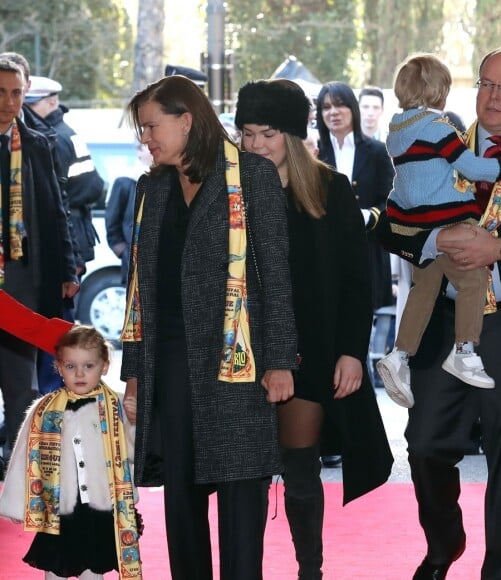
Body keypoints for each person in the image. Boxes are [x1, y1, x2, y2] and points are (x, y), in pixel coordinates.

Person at [376, 48, 501, 579]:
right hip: (444, 325)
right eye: (486, 84)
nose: (493, 96)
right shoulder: (434, 140)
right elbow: (389, 223)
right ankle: (444, 543)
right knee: (423, 446)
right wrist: (433, 239)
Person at [120, 74, 297, 580]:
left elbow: (277, 275)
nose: (146, 139)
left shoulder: (253, 177)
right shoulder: (151, 187)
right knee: (182, 501)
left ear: (186, 120)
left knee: (243, 496)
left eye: (152, 126)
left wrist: (281, 360)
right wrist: (135, 373)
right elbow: (141, 287)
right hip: (171, 363)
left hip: (238, 361)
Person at [235, 78, 393, 579]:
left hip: (312, 349)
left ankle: (311, 571)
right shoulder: (229, 191)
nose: (256, 144)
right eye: (246, 133)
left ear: (293, 134)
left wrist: (351, 351)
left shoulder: (330, 190)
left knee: (300, 469)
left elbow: (355, 280)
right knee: (246, 476)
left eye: (267, 133)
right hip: (242, 351)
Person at [377, 53, 501, 408]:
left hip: (413, 221)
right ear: (439, 92)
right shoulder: (438, 129)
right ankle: (465, 350)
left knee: (424, 288)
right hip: (447, 217)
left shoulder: (397, 129)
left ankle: (399, 354)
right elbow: (475, 168)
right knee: (474, 279)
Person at [0, 323, 142, 580]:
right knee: (54, 570)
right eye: (70, 366)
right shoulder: (43, 410)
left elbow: (133, 451)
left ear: (105, 366)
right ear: (58, 366)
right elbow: (24, 457)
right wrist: (14, 504)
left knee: (93, 572)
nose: (80, 373)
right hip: (57, 512)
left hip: (99, 509)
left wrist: (134, 418)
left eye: (88, 366)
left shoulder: (115, 406)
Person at [0, 59, 78, 465]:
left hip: (21, 279)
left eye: (16, 93)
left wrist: (67, 269)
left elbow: (56, 211)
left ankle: (16, 481)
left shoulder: (38, 142)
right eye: (1, 92)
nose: (9, 102)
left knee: (21, 388)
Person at [317, 80, 394, 401]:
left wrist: (368, 215)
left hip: (365, 251)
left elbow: (391, 200)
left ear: (353, 109)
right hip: (322, 257)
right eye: (326, 107)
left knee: (356, 337)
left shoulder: (376, 151)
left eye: (340, 105)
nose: (333, 113)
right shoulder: (315, 152)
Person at [25, 75, 105, 276]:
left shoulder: (55, 138)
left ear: (52, 101)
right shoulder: (65, 132)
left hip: (70, 237)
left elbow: (55, 194)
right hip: (76, 231)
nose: (26, 111)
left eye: (31, 105)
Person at [105, 143, 152, 284]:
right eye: (148, 146)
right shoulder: (126, 180)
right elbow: (112, 221)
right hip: (135, 261)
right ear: (139, 151)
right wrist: (124, 251)